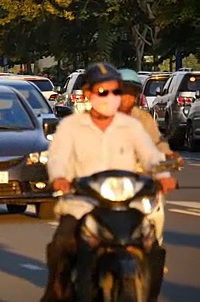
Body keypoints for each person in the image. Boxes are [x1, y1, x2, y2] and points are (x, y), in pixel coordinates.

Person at [41, 62, 177, 302]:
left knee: (153, 247)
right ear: (88, 95)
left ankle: (148, 294)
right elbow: (58, 157)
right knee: (62, 243)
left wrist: (163, 177)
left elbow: (150, 156)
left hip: (126, 205)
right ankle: (56, 290)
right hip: (83, 203)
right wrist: (60, 178)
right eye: (103, 92)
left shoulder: (132, 126)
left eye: (116, 91)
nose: (111, 98)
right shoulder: (71, 127)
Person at [118, 68, 182, 253]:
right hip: (107, 181)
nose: (126, 98)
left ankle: (155, 252)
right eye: (122, 92)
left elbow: (157, 143)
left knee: (155, 214)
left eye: (131, 94)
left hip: (141, 180)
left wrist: (169, 156)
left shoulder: (144, 118)